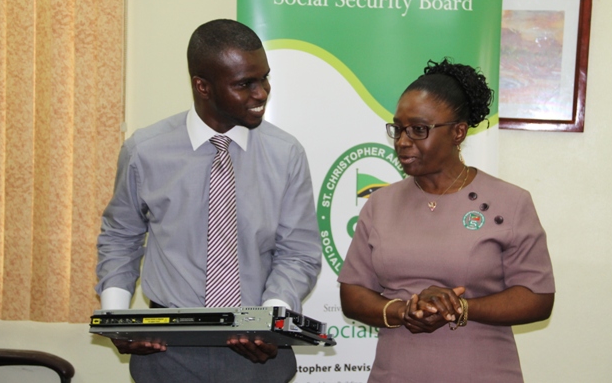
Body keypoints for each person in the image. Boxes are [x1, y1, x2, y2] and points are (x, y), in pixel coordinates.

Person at [95, 19, 322, 383]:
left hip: (258, 356)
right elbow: (121, 236)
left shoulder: (286, 154)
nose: (261, 92)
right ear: (202, 86)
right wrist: (116, 321)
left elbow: (298, 251)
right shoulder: (145, 151)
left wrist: (268, 323)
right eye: (244, 84)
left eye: (264, 78)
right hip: (166, 355)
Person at [337, 58, 555, 382]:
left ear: (458, 132)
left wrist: (459, 308)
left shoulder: (511, 202)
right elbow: (353, 293)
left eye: (418, 130)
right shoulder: (381, 203)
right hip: (396, 373)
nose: (402, 141)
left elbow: (538, 299)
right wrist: (404, 311)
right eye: (398, 129)